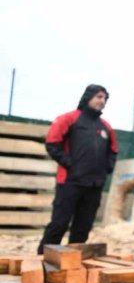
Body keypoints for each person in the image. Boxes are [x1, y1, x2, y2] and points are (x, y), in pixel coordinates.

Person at [38, 84, 117, 254]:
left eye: (105, 98)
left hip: (94, 185)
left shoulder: (106, 127)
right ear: (88, 97)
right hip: (70, 182)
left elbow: (113, 151)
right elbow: (52, 143)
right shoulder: (69, 119)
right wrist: (70, 163)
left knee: (83, 227)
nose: (102, 101)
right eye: (99, 97)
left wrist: (106, 170)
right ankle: (42, 262)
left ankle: (72, 263)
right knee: (59, 224)